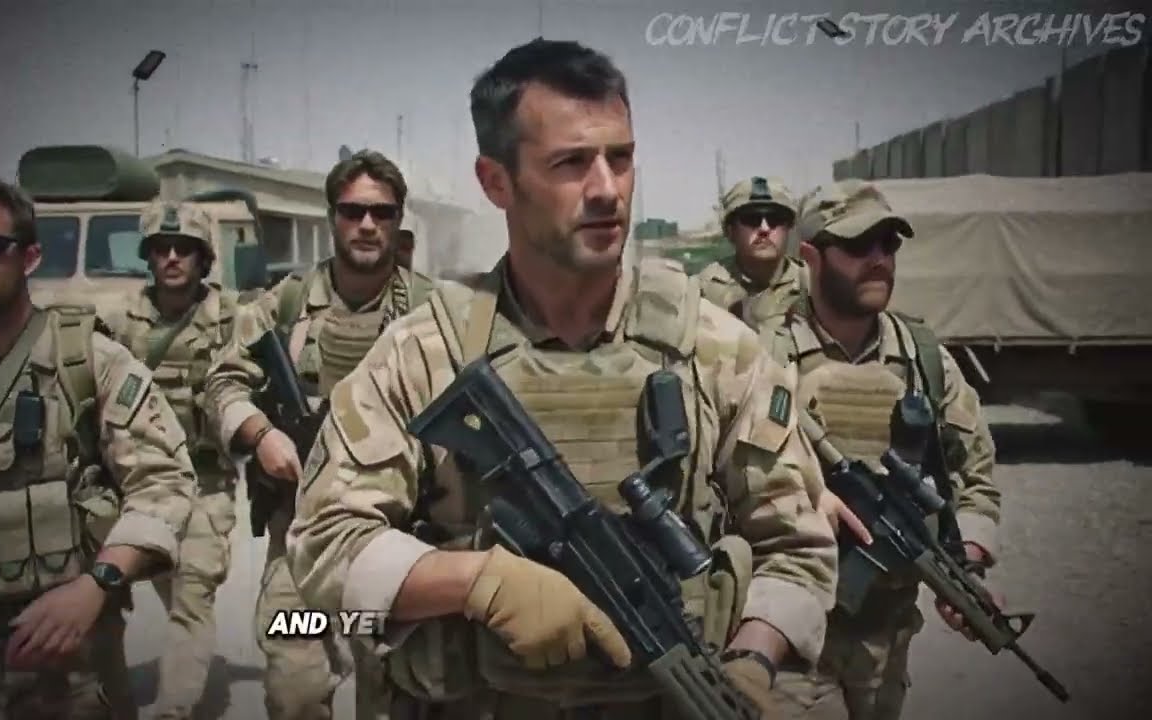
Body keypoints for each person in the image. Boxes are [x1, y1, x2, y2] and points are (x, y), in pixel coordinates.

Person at [288, 38, 837, 720]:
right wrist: (475, 581)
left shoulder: (716, 351)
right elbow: (324, 543)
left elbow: (798, 546)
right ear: (496, 181)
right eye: (571, 163)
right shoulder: (422, 355)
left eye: (621, 158)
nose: (607, 188)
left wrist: (753, 661)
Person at [0, 173, 196, 719]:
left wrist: (98, 584)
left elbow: (164, 483)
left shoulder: (88, 361)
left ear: (28, 258)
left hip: (74, 665)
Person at [203, 149, 433, 720]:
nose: (367, 225)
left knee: (391, 696)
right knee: (296, 688)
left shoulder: (433, 312)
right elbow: (223, 382)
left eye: (382, 213)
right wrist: (261, 435)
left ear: (398, 220)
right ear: (333, 217)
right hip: (303, 541)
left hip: (399, 542)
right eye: (353, 211)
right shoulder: (285, 303)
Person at [760, 179, 1002, 720]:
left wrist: (964, 564)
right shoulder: (758, 355)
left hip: (887, 640)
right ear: (810, 257)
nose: (878, 259)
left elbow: (975, 475)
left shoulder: (924, 359)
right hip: (791, 638)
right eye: (857, 244)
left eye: (888, 244)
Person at [99, 197, 243, 720]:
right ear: (149, 256)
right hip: (136, 485)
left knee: (191, 595)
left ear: (204, 258)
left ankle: (173, 710)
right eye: (162, 248)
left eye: (185, 248)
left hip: (205, 484)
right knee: (107, 595)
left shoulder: (234, 319)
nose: (173, 258)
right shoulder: (118, 321)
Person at [699, 176, 807, 341]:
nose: (764, 228)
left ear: (788, 228)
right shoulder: (703, 290)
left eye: (775, 219)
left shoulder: (814, 286)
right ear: (730, 231)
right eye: (751, 219)